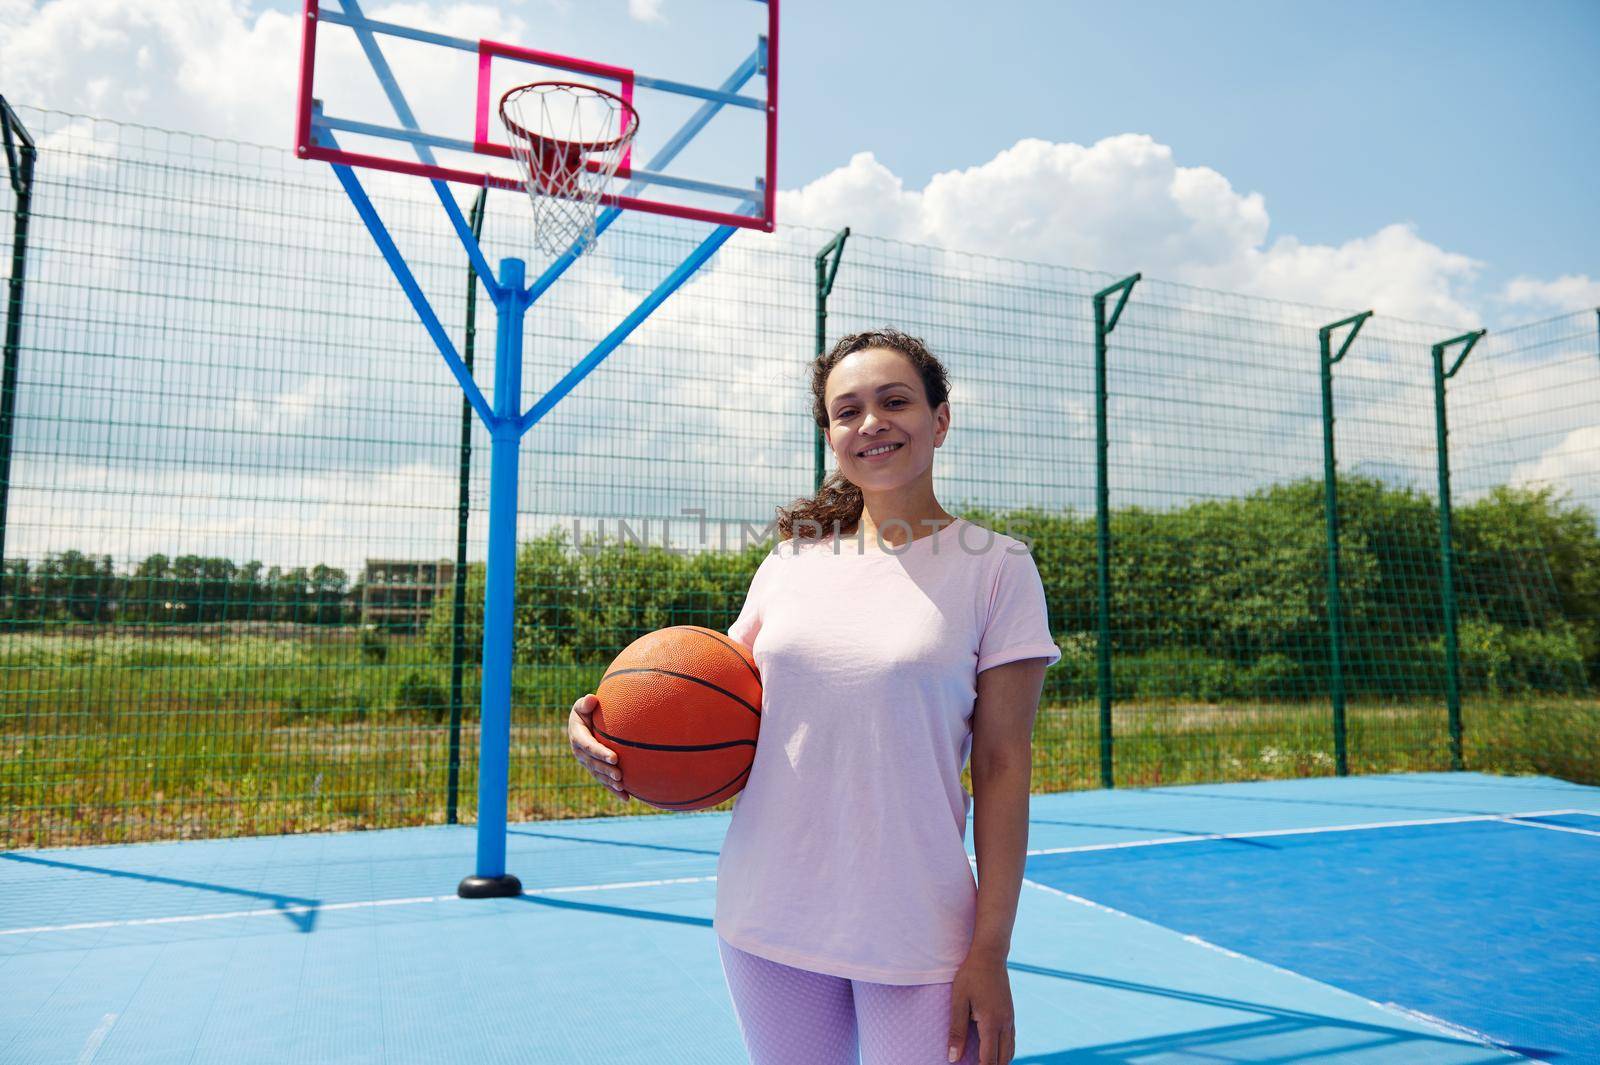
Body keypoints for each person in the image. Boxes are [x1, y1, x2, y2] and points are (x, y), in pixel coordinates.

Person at [570, 329, 1060, 1065]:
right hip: (768, 909)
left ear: (941, 418)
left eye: (895, 401)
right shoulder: (790, 562)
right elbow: (708, 696)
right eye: (848, 410)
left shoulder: (997, 569)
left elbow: (1001, 764)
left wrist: (990, 948)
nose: (872, 422)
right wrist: (600, 721)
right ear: (830, 434)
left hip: (915, 923)